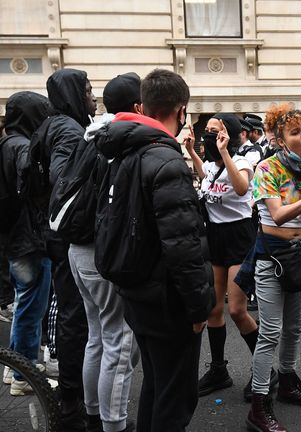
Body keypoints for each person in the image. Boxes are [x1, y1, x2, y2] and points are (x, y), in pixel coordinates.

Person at [93, 68, 214, 432]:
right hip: (166, 300)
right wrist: (199, 306)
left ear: (144, 106)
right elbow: (183, 245)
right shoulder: (165, 159)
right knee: (175, 397)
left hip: (137, 290)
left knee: (157, 385)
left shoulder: (124, 151)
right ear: (181, 111)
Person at [246, 103, 301, 432]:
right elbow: (279, 215)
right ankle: (258, 406)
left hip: (297, 254)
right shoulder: (266, 169)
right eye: (295, 132)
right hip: (271, 258)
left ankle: (287, 382)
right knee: (270, 332)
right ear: (281, 139)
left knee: (294, 327)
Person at [73, 72, 142, 432]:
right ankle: (113, 424)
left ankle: (92, 413)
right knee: (119, 339)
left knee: (97, 336)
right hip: (101, 253)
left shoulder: (91, 135)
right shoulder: (118, 141)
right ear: (136, 106)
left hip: (77, 249)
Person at [184, 113, 259, 401]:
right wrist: (191, 151)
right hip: (215, 240)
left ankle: (265, 370)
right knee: (213, 310)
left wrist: (226, 151)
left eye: (216, 132)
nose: (209, 137)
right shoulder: (214, 167)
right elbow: (207, 178)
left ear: (231, 135)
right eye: (208, 132)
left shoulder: (240, 161)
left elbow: (241, 187)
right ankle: (219, 370)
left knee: (238, 310)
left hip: (238, 239)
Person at [45, 67, 97, 429]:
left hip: (52, 233)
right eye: (89, 91)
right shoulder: (68, 129)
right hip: (66, 237)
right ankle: (70, 399)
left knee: (72, 314)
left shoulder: (53, 124)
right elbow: (60, 178)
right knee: (74, 317)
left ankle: (71, 394)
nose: (93, 97)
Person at [0, 91, 54, 396]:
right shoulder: (22, 147)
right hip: (29, 239)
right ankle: (24, 375)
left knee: (24, 304)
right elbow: (33, 184)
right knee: (31, 307)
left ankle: (15, 366)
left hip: (14, 239)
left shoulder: (6, 142)